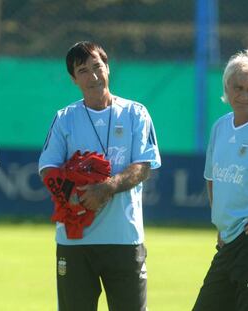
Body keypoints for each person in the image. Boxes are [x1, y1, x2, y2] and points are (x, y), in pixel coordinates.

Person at [38, 41, 161, 311]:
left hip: (124, 239)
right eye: (83, 70)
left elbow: (144, 165)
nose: (93, 76)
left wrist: (106, 187)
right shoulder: (65, 118)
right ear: (73, 79)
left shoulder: (135, 113)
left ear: (108, 68)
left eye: (98, 66)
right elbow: (48, 167)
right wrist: (70, 195)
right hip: (75, 241)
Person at [192, 50, 248, 311]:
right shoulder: (220, 127)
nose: (245, 95)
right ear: (227, 87)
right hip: (227, 240)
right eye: (238, 88)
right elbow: (212, 178)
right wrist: (221, 223)